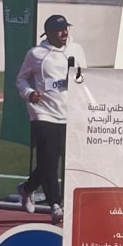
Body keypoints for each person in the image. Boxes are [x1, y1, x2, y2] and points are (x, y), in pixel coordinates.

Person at [14, 14, 79, 224]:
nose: (64, 33)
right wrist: (29, 93)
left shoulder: (76, 50)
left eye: (66, 28)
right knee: (49, 162)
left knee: (56, 161)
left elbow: (85, 77)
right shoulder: (36, 54)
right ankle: (55, 205)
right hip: (43, 113)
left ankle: (27, 188)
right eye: (59, 29)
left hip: (69, 113)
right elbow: (21, 79)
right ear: (48, 33)